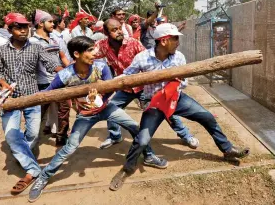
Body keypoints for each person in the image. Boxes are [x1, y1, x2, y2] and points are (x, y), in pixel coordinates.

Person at [109, 23, 250, 191]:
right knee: (142, 140)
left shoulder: (179, 57)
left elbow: (184, 82)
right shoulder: (142, 58)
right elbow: (128, 75)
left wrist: (174, 82)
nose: (178, 42)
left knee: (207, 117)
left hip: (177, 99)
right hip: (155, 104)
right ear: (163, 41)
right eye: (175, 38)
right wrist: (108, 84)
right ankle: (127, 168)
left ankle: (227, 149)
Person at [28, 36, 167, 202]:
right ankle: (44, 177)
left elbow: (110, 87)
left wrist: (101, 98)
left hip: (106, 108)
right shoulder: (65, 75)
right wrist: (30, 98)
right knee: (70, 147)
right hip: (86, 115)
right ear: (76, 54)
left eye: (94, 49)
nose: (95, 53)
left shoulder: (101, 67)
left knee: (136, 128)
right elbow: (49, 93)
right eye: (90, 50)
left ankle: (149, 155)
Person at [95, 19, 199, 149]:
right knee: (111, 108)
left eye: (119, 28)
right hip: (124, 86)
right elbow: (89, 56)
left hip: (144, 88)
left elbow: (150, 57)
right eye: (114, 30)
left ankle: (186, 135)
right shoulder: (102, 45)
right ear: (105, 32)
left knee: (165, 111)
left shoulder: (133, 43)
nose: (119, 32)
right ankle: (115, 136)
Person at [0, 12, 63, 194]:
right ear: (10, 29)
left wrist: (65, 72)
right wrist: (3, 84)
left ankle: (22, 155)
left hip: (32, 97)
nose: (24, 30)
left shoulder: (36, 48)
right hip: (10, 100)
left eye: (26, 26)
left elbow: (50, 64)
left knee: (32, 135)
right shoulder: (1, 50)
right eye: (19, 27)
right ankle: (33, 169)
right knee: (11, 135)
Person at [29, 9, 72, 146]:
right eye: (50, 22)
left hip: (59, 79)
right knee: (38, 113)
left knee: (64, 110)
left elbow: (63, 57)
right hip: (42, 82)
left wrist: (70, 71)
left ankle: (62, 137)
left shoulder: (55, 38)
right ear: (41, 23)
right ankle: (30, 141)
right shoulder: (31, 42)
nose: (53, 24)